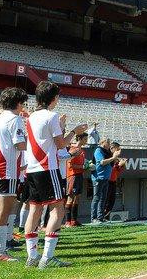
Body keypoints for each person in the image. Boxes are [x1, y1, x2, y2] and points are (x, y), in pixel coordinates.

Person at [24, 80, 88, 268]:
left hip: (33, 169)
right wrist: (74, 131)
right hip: (47, 168)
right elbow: (60, 144)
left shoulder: (31, 117)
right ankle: (47, 257)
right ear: (55, 98)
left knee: (34, 210)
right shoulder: (51, 116)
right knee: (57, 210)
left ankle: (32, 255)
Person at [0, 87, 28, 262]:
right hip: (7, 170)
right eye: (22, 103)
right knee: (4, 210)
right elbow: (20, 145)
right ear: (18, 103)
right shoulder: (15, 120)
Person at [91, 138, 119, 224]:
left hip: (106, 178)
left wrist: (115, 158)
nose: (109, 144)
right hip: (98, 178)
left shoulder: (107, 152)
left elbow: (111, 164)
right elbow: (102, 162)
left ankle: (100, 217)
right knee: (96, 198)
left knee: (103, 199)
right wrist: (113, 157)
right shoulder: (98, 150)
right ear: (103, 143)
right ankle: (94, 218)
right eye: (108, 143)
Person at [65, 132, 89, 227]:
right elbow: (70, 164)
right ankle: (67, 221)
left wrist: (86, 166)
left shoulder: (82, 151)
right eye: (85, 139)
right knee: (70, 197)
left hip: (79, 175)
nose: (86, 141)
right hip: (73, 175)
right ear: (80, 139)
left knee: (77, 198)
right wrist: (82, 166)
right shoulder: (73, 150)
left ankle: (74, 220)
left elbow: (82, 164)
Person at [104, 142, 126, 220]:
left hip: (113, 181)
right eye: (118, 149)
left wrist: (122, 165)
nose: (119, 151)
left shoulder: (116, 159)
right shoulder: (109, 157)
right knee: (105, 200)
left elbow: (117, 171)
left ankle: (106, 217)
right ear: (112, 148)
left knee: (112, 201)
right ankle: (101, 217)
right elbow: (110, 169)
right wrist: (118, 165)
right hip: (107, 181)